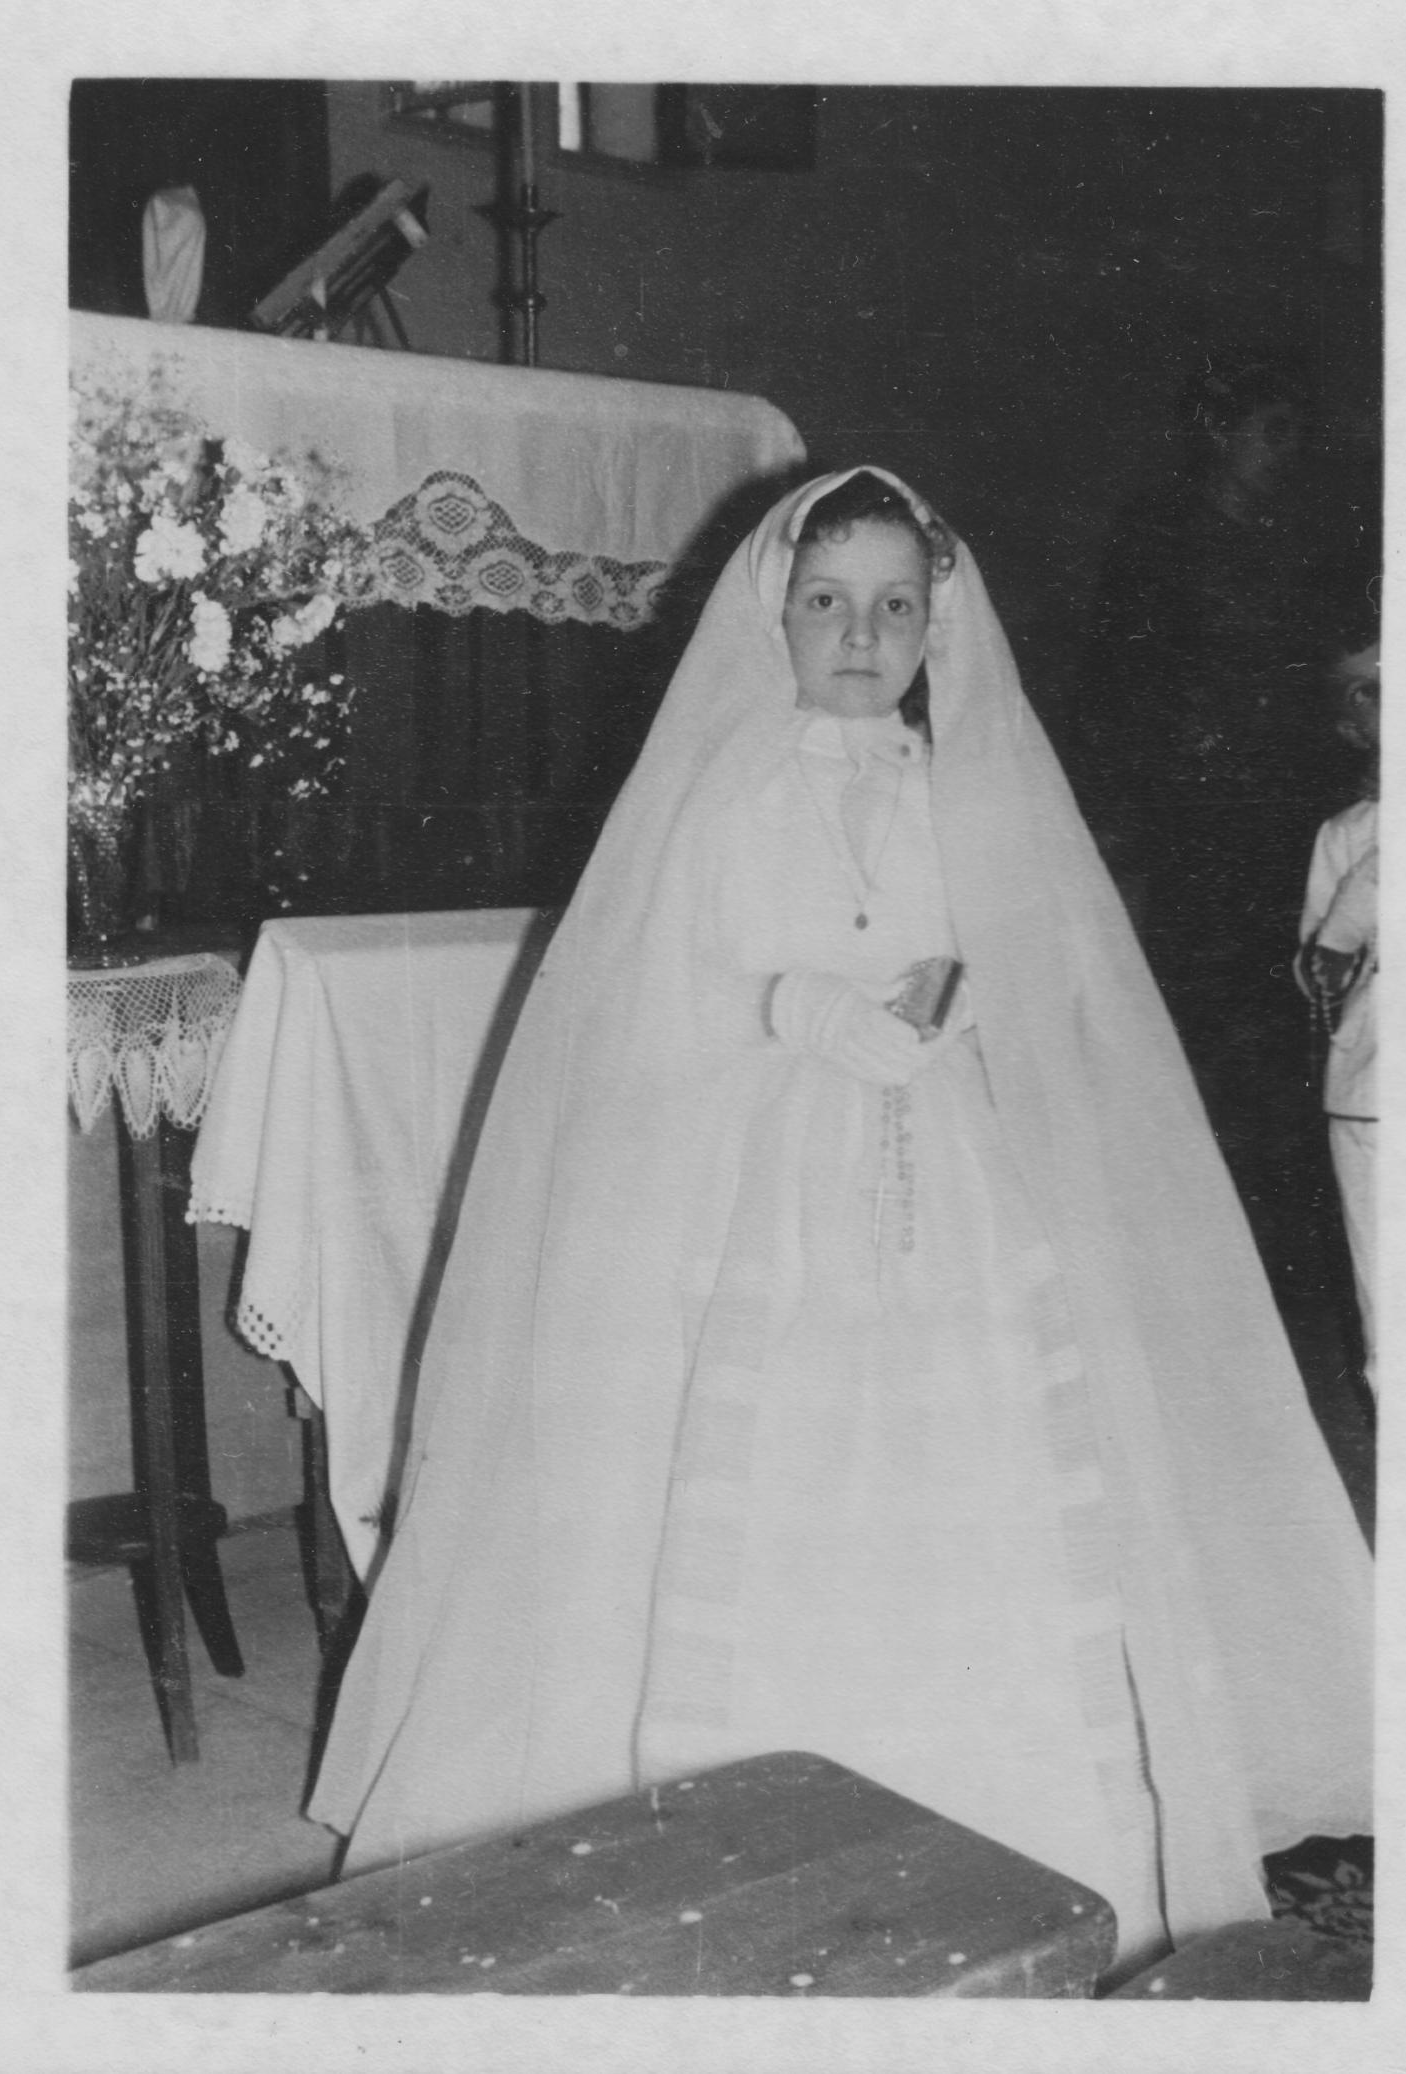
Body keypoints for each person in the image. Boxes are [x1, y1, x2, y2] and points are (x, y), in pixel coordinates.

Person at [309, 469, 1371, 1981]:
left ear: (938, 623)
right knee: (760, 1467)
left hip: (955, 1176)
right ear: (775, 615)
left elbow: (1056, 970)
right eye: (827, 602)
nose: (861, 636)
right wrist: (783, 1005)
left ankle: (1025, 1819)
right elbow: (640, 1001)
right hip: (763, 1176)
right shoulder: (721, 793)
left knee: (988, 1464)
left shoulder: (973, 786)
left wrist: (971, 996)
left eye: (893, 606)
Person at [1070, 350, 1350, 1298]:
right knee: (1189, 1005)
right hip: (1186, 814)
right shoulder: (1160, 534)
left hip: (1273, 811)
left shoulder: (1291, 543)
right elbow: (1117, 679)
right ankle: (1175, 1216)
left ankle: (1260, 1231)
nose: (1288, 451)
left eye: (1297, 435)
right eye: (1273, 432)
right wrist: (1128, 801)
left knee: (1269, 1013)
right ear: (1223, 433)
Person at [1298, 632, 1380, 1399]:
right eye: (1370, 692)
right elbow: (1317, 967)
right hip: (1374, 1091)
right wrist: (1331, 952)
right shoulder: (1344, 836)